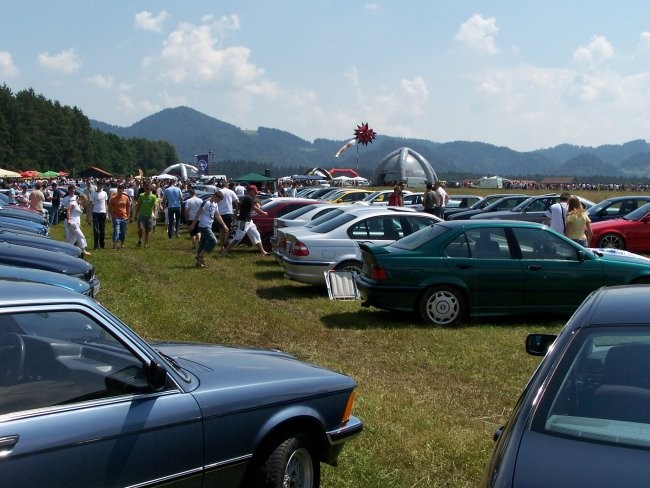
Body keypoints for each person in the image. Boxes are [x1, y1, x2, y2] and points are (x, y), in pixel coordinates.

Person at [222, 185, 271, 257]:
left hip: (249, 221)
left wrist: (234, 217)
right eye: (255, 192)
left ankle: (263, 252)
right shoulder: (249, 198)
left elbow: (238, 207)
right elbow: (255, 208)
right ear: (251, 191)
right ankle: (225, 252)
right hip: (244, 221)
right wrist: (264, 213)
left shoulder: (245, 198)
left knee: (256, 235)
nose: (256, 194)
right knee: (238, 237)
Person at [189, 190, 229, 268]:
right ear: (215, 196)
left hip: (208, 225)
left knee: (202, 244)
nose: (218, 202)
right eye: (218, 200)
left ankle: (199, 263)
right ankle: (200, 255)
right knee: (213, 241)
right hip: (203, 225)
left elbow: (217, 215)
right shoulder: (206, 203)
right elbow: (198, 213)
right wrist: (193, 224)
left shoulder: (215, 204)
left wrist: (224, 225)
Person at [133, 181, 158, 249]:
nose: (148, 189)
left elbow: (155, 207)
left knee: (148, 230)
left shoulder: (153, 197)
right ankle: (140, 239)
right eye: (146, 188)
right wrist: (135, 215)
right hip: (141, 215)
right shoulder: (141, 196)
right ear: (145, 188)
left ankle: (145, 244)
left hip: (149, 215)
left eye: (149, 188)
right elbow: (138, 206)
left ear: (151, 189)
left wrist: (155, 215)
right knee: (141, 229)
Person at [216, 182, 240, 249]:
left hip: (220, 214)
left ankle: (221, 246)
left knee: (221, 230)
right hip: (229, 212)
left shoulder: (219, 192)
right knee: (228, 229)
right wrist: (238, 211)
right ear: (228, 186)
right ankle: (225, 241)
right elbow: (237, 202)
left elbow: (215, 202)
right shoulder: (231, 192)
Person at [108, 184, 131, 249]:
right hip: (116, 217)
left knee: (123, 231)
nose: (120, 192)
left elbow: (128, 207)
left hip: (124, 217)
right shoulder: (113, 198)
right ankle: (114, 245)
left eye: (121, 191)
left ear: (123, 191)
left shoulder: (126, 198)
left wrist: (128, 216)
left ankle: (122, 244)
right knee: (116, 231)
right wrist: (112, 215)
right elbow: (109, 208)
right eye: (118, 191)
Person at [90, 182, 108, 249]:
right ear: (97, 185)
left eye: (102, 185)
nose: (101, 186)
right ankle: (96, 245)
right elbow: (91, 204)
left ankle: (102, 244)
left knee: (102, 230)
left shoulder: (104, 193)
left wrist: (107, 213)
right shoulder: (93, 193)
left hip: (103, 213)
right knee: (96, 230)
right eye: (100, 185)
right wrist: (90, 214)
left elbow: (106, 204)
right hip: (95, 213)